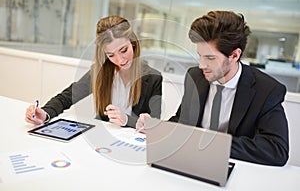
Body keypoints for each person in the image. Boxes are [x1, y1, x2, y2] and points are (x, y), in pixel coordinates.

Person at [138, 10, 289, 166]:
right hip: (190, 163)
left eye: (210, 58)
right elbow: (182, 121)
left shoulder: (266, 90)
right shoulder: (195, 76)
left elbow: (276, 149)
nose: (201, 65)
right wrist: (159, 129)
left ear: (234, 55)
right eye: (200, 56)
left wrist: (212, 144)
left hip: (232, 168)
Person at [25, 15, 162, 128]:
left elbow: (154, 125)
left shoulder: (153, 78)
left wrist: (127, 120)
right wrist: (45, 114)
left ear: (133, 43)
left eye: (123, 50)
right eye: (111, 55)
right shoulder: (100, 72)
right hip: (102, 137)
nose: (120, 60)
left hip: (132, 142)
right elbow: (66, 97)